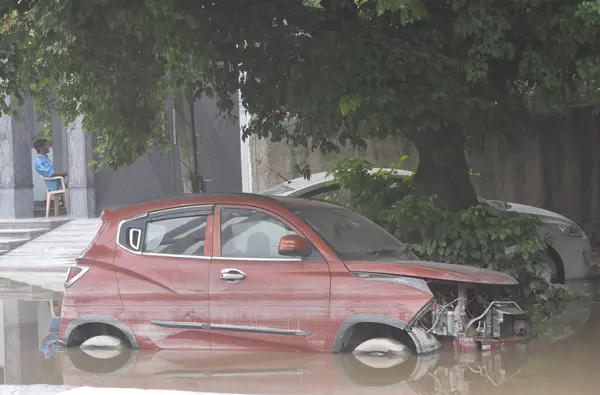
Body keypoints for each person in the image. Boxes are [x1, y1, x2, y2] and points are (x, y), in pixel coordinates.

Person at [34, 139, 67, 205]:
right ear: (42, 148)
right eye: (47, 145)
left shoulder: (45, 158)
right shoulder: (40, 160)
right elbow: (50, 174)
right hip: (54, 183)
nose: (48, 147)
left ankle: (64, 202)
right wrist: (64, 174)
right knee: (74, 181)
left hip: (58, 181)